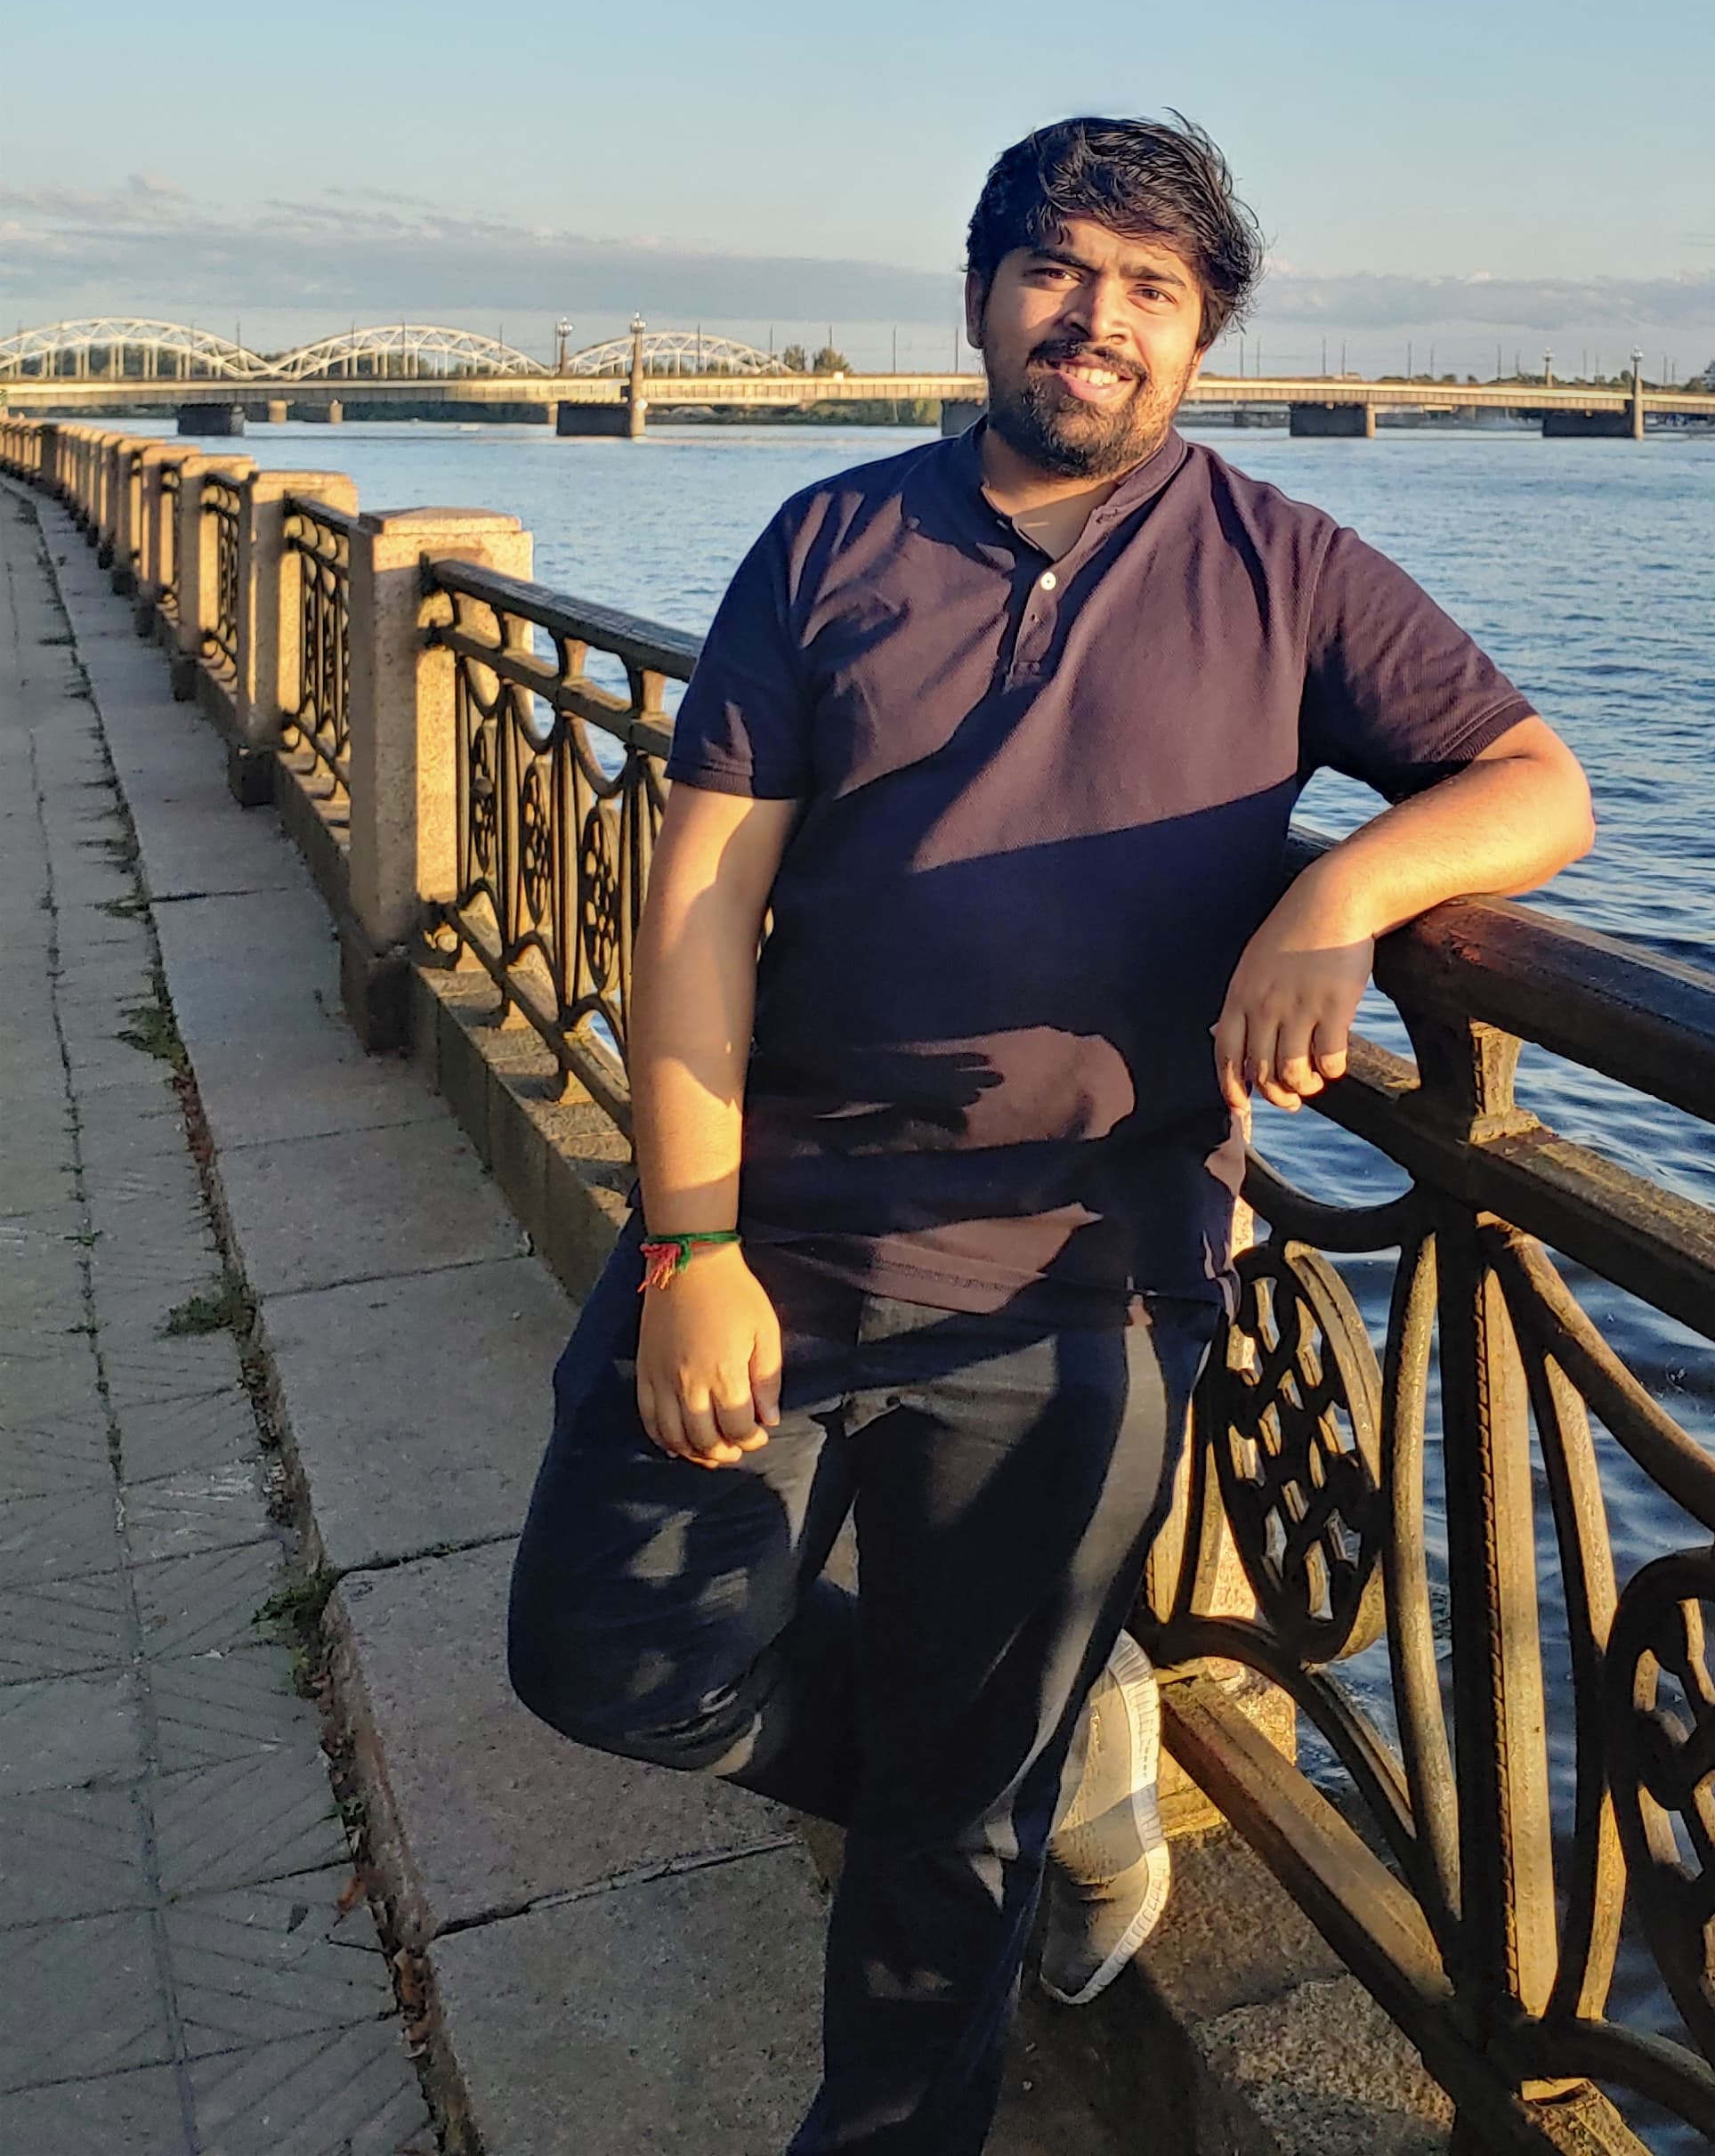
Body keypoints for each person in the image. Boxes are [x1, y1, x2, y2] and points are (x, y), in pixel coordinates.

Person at [506, 115, 1594, 2156]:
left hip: (1079, 1278)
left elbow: (1537, 783)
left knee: (950, 1873)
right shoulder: (833, 543)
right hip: (791, 1230)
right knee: (614, 1659)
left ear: (1208, 340)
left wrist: (1335, 894)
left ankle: (963, 1904)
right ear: (987, 293)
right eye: (1059, 269)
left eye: (1153, 289)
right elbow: (699, 906)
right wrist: (687, 1246)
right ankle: (1029, 1757)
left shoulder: (1285, 569)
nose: (1097, 319)